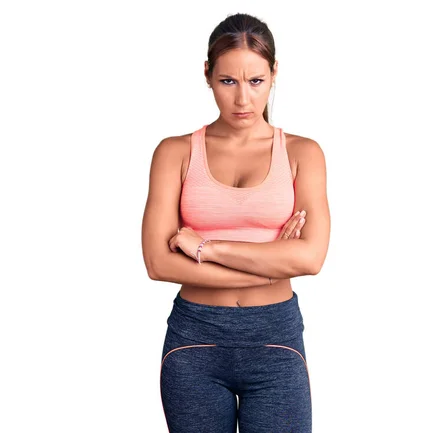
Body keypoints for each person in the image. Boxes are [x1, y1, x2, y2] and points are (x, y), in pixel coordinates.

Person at [141, 12, 330, 433]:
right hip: (195, 341)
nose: (243, 99)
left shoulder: (303, 153)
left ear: (274, 73)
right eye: (228, 81)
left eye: (255, 81)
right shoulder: (175, 153)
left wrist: (207, 248)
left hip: (275, 339)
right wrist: (271, 261)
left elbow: (312, 257)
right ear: (207, 75)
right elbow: (157, 263)